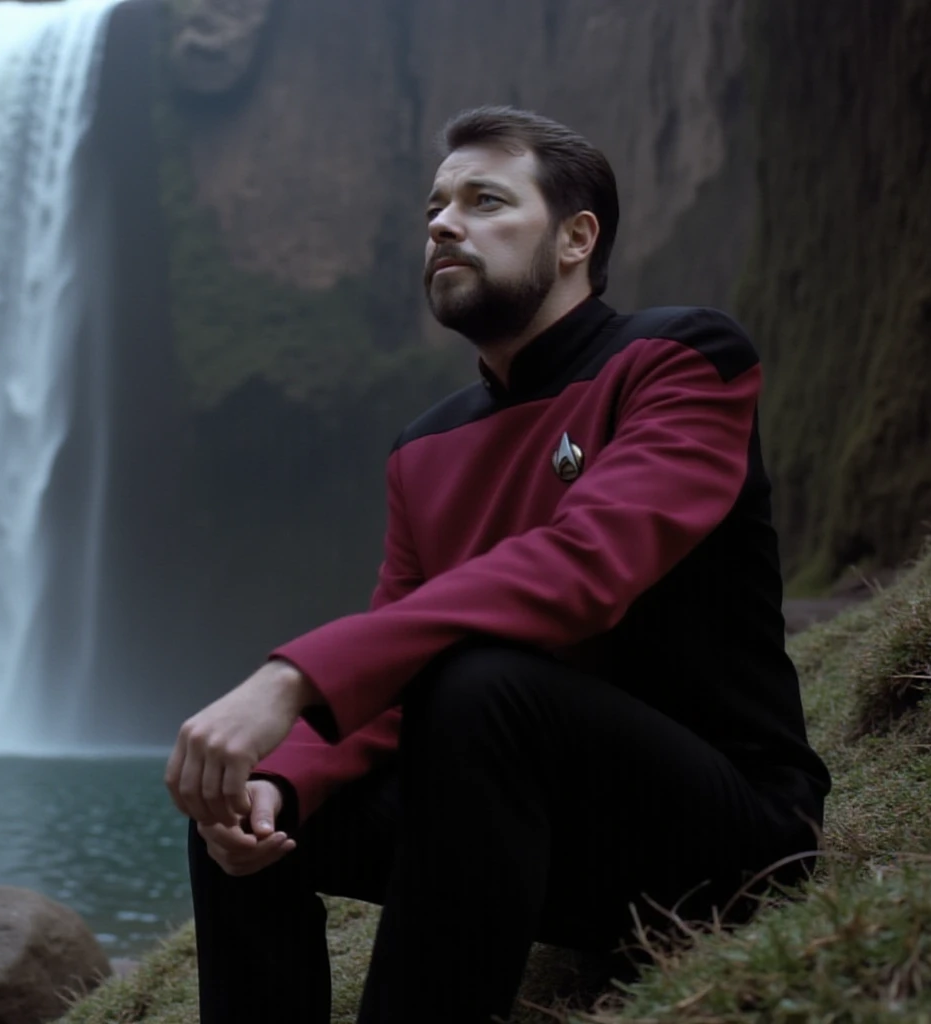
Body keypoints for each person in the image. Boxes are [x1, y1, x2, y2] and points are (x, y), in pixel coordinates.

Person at [163, 105, 831, 1024]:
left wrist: (291, 676)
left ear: (575, 238)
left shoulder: (683, 359)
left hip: (727, 841)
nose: (443, 223)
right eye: (436, 206)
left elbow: (584, 568)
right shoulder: (424, 447)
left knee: (482, 683)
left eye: (485, 201)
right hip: (542, 849)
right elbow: (393, 687)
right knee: (242, 804)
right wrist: (280, 778)